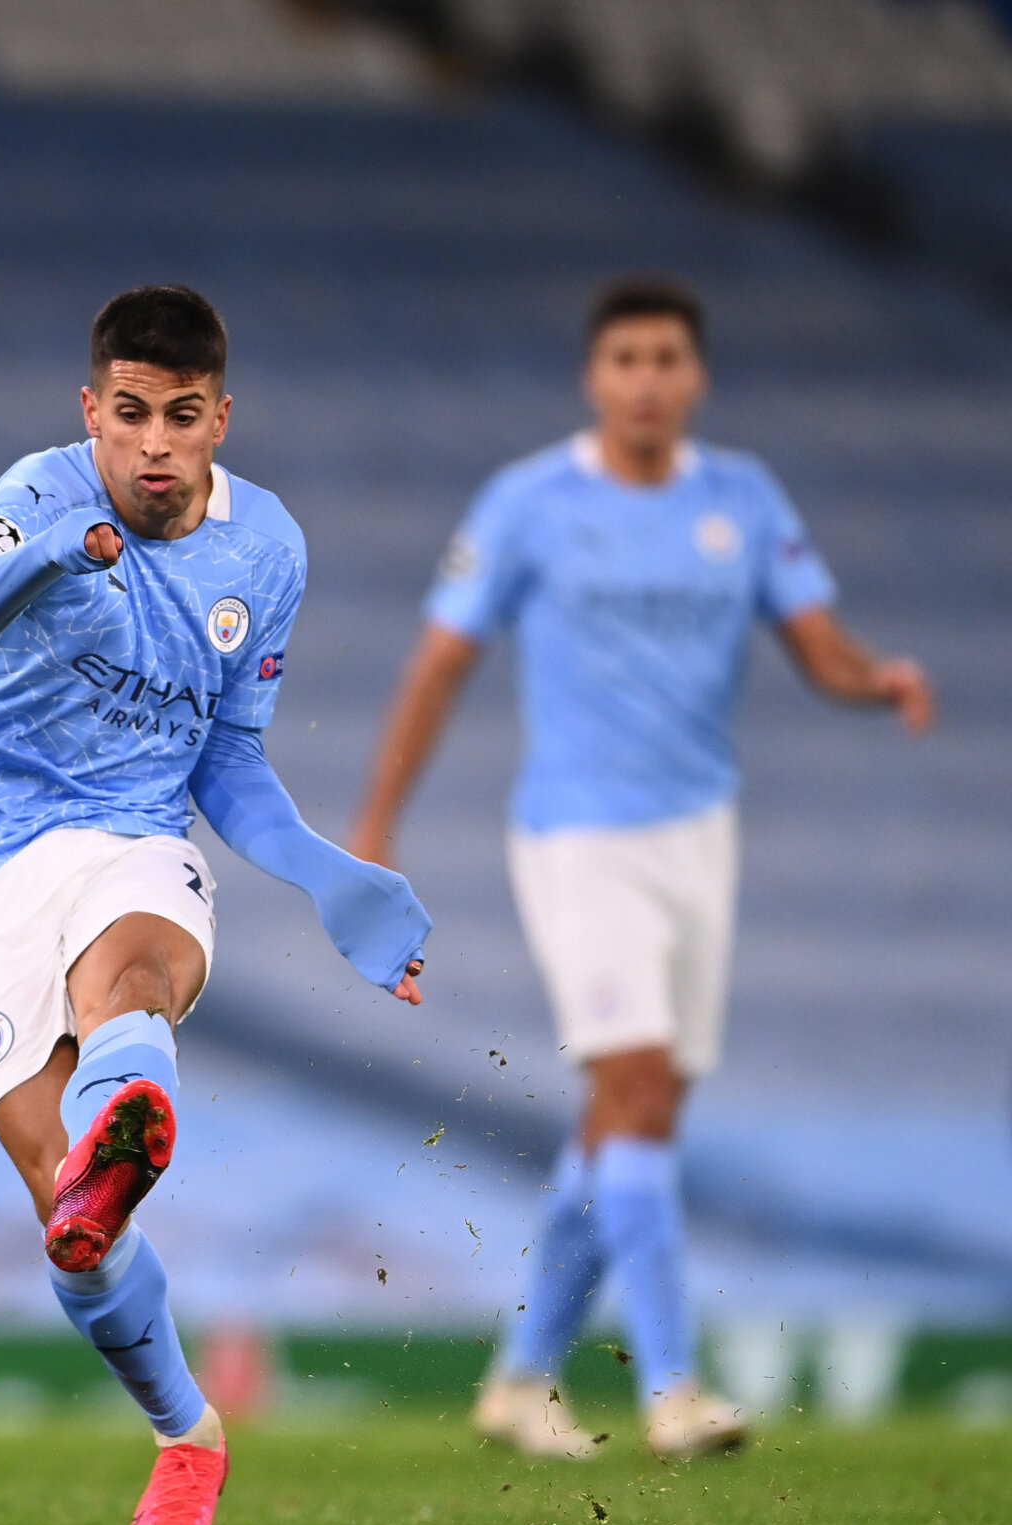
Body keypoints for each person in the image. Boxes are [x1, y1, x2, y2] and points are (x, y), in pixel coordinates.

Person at [348, 274, 934, 1461]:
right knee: (638, 1084)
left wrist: (876, 680)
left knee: (634, 1107)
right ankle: (672, 1385)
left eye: (667, 358)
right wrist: (375, 825)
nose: (647, 380)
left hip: (696, 836)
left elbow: (813, 642)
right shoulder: (528, 503)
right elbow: (439, 663)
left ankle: (519, 1379)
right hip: (576, 834)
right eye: (626, 360)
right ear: (593, 378)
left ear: (696, 377)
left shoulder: (742, 498)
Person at [0, 285, 431, 1525]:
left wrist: (323, 868)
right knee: (68, 1222)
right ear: (91, 410)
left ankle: (129, 1108)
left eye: (179, 418)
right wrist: (42, 557)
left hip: (134, 839)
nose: (150, 444)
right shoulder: (28, 498)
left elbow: (226, 757)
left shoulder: (269, 552)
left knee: (130, 977)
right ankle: (187, 1433)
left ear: (219, 420)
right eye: (127, 414)